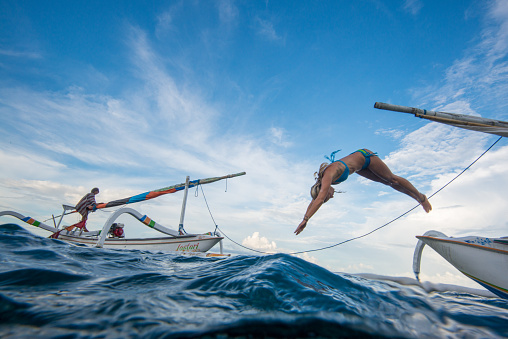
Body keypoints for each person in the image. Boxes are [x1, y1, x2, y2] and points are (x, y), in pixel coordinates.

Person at [295, 149, 432, 236]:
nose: (331, 196)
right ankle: (418, 199)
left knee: (392, 179)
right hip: (361, 168)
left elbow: (319, 199)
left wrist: (306, 220)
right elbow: (315, 200)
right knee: (386, 183)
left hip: (366, 157)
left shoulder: (328, 176)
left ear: (323, 192)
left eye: (327, 197)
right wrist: (304, 217)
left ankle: (420, 197)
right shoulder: (325, 183)